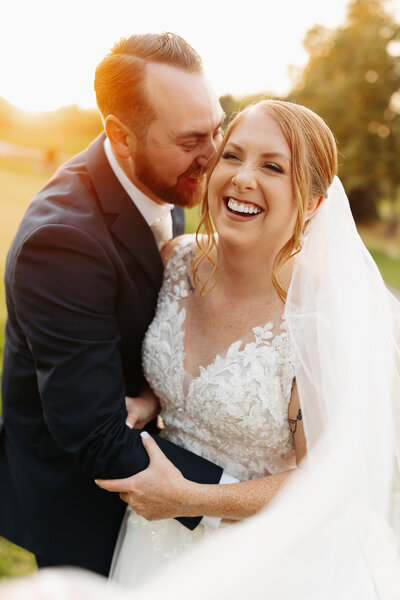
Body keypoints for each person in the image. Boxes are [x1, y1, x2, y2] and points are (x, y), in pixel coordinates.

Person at [96, 99, 400, 595]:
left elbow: (323, 483)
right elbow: (183, 377)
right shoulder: (176, 261)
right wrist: (151, 399)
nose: (241, 178)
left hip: (259, 562)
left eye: (273, 167)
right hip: (151, 539)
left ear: (314, 205)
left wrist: (191, 498)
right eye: (232, 156)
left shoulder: (316, 321)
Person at [0, 32, 226, 576]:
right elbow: (97, 436)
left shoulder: (159, 177)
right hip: (84, 504)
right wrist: (250, 496)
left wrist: (152, 396)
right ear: (121, 137)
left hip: (151, 460)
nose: (216, 154)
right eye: (193, 138)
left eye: (218, 127)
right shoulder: (62, 243)